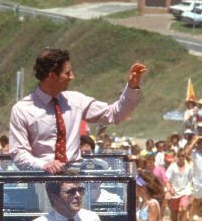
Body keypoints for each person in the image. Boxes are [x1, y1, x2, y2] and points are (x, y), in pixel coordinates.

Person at [9, 48, 146, 171]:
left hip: (74, 180)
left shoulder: (76, 101)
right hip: (39, 183)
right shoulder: (22, 110)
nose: (72, 77)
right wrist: (44, 165)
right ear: (52, 76)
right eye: (67, 73)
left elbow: (115, 114)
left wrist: (132, 87)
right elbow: (19, 153)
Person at [27, 178, 110, 221]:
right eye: (71, 192)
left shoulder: (92, 218)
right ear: (54, 197)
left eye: (80, 190)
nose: (78, 195)